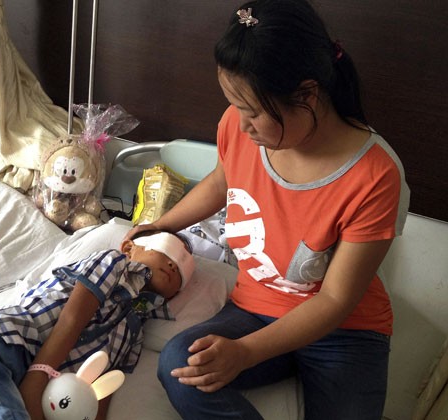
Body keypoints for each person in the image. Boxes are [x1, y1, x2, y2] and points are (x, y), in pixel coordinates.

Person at [124, 0, 410, 419]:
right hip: (256, 309)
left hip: (344, 331)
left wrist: (244, 353)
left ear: (307, 94)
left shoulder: (375, 175)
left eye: (253, 111)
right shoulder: (239, 131)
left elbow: (334, 299)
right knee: (180, 365)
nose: (240, 125)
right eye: (235, 107)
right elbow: (222, 182)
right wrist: (160, 225)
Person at [0, 230, 195, 420]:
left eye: (182, 267)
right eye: (168, 251)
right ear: (129, 247)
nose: (174, 264)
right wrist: (38, 378)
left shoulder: (134, 330)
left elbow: (101, 386)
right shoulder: (114, 263)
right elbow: (72, 318)